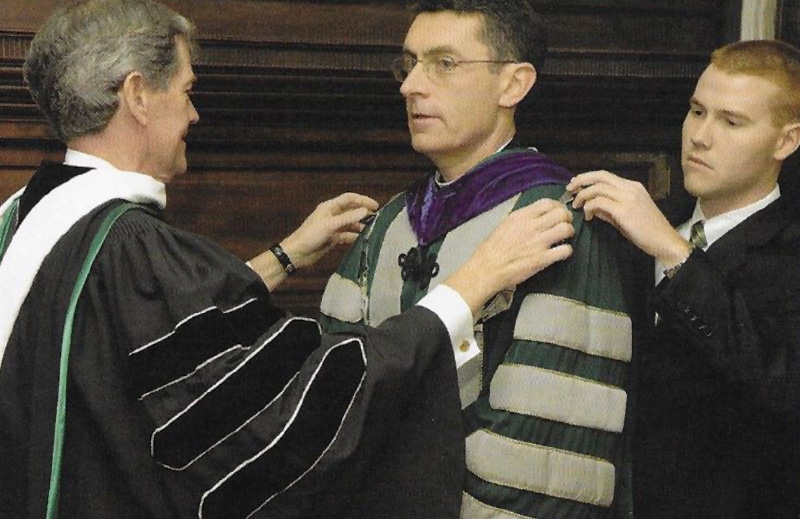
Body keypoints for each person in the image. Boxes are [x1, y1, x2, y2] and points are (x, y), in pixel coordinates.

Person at [0, 1, 579, 518]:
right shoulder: (132, 246)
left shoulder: (25, 217)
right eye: (185, 90)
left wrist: (285, 256)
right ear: (137, 96)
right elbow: (294, 412)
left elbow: (164, 342)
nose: (193, 115)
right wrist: (470, 284)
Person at [319, 1, 634, 517]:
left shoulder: (556, 221)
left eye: (443, 64)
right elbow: (333, 384)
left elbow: (540, 452)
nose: (410, 86)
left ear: (513, 84)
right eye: (410, 63)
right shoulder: (388, 222)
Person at [567, 39, 800, 518]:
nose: (701, 136)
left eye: (731, 122)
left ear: (786, 141)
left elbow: (781, 385)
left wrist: (674, 252)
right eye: (697, 112)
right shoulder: (632, 230)